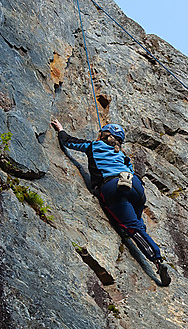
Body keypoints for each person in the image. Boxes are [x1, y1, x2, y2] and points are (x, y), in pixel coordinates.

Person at [51, 119, 171, 286]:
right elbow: (130, 169)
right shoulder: (122, 155)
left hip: (114, 187)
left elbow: (69, 141)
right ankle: (138, 235)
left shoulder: (93, 146)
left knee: (133, 228)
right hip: (135, 186)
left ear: (103, 135)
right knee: (138, 222)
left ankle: (157, 259)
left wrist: (61, 129)